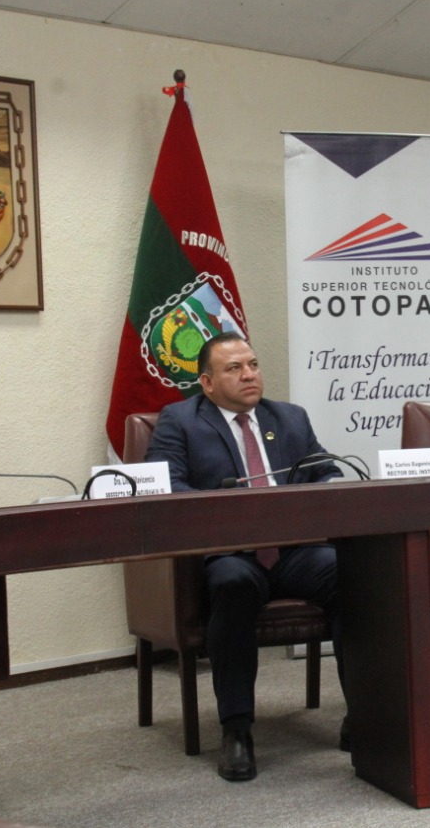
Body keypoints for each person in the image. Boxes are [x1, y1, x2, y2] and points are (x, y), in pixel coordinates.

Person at [145, 331, 345, 782]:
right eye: (234, 368)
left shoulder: (289, 417)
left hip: (293, 550)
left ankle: (367, 713)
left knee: (349, 573)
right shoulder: (180, 420)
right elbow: (166, 487)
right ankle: (236, 729)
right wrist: (231, 512)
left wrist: (331, 490)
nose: (249, 375)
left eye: (252, 365)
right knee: (233, 583)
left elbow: (326, 473)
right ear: (207, 383)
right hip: (230, 553)